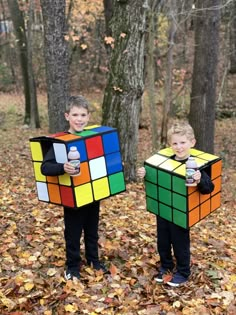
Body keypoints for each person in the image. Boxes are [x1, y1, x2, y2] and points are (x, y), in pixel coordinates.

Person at [137, 122, 214, 287]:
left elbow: (209, 188)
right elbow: (156, 178)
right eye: (175, 143)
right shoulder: (165, 160)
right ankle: (166, 267)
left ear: (192, 142)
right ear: (170, 145)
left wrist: (200, 179)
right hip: (163, 209)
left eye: (183, 142)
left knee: (180, 243)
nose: (179, 147)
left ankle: (183, 272)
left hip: (182, 213)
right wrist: (145, 173)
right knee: (163, 241)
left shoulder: (197, 165)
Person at [41, 95, 108, 280]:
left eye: (83, 115)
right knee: (73, 233)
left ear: (88, 116)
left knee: (92, 230)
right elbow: (45, 167)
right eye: (75, 114)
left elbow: (100, 161)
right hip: (72, 197)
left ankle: (93, 261)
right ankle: (72, 266)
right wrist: (63, 167)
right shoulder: (60, 142)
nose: (79, 119)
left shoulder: (92, 137)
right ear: (67, 116)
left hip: (92, 194)